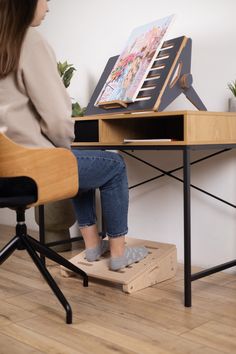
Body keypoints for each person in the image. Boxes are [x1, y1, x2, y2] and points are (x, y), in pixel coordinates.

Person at [0, 0, 148, 271]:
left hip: (5, 172)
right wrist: (63, 146)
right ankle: (118, 253)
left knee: (78, 160)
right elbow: (58, 118)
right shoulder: (28, 40)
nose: (48, 7)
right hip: (32, 168)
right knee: (113, 165)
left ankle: (92, 247)